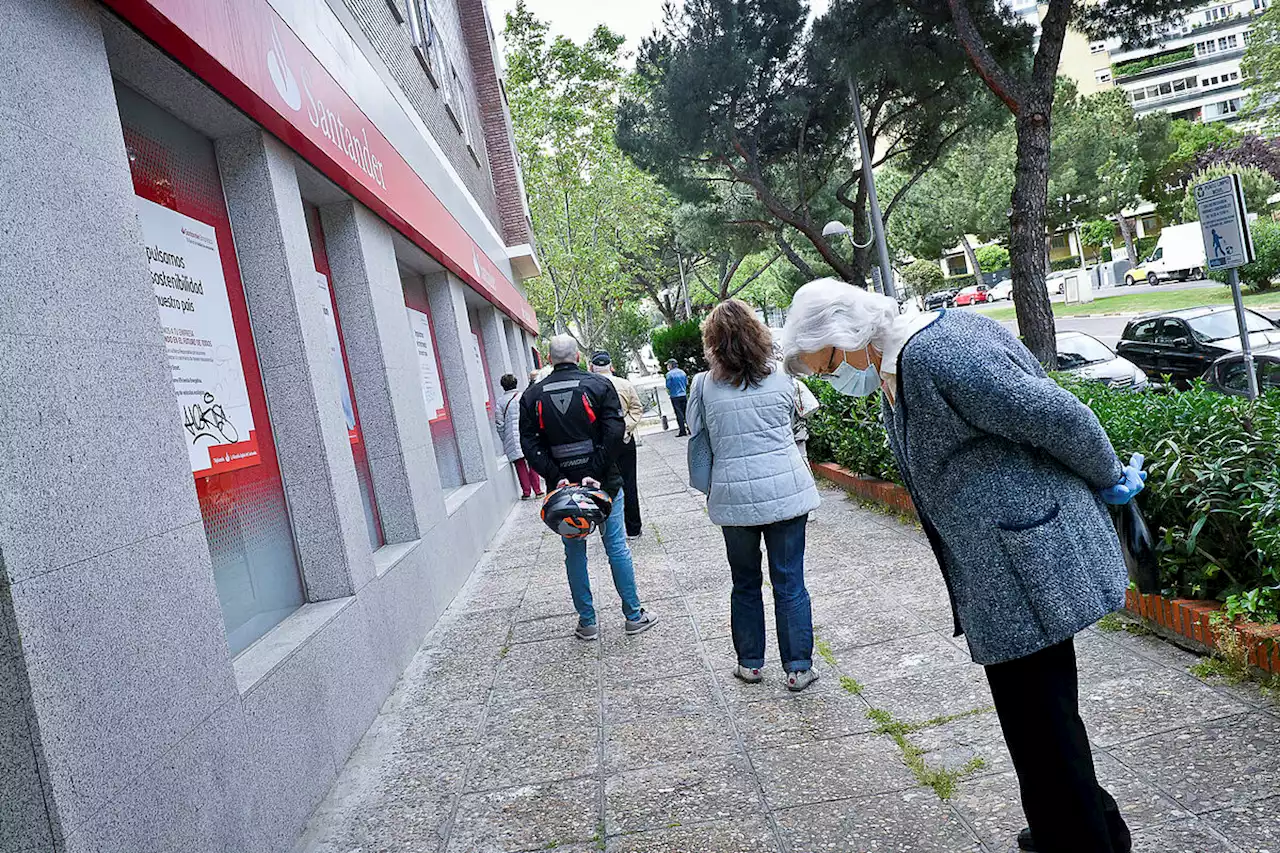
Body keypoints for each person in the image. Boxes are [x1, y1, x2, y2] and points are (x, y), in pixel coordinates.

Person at [780, 278, 1147, 853]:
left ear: (845, 335)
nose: (829, 378)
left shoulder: (938, 353)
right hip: (1004, 564)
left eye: (825, 365)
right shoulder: (899, 366)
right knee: (1038, 719)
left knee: (1042, 722)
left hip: (1026, 560)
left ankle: (1080, 836)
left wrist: (1109, 477)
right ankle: (1069, 823)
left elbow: (1057, 416)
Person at [689, 300, 822, 692]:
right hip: (786, 491)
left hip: (733, 499)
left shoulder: (702, 385)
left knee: (744, 582)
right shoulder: (783, 376)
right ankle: (798, 666)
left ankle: (750, 663)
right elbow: (799, 417)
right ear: (759, 333)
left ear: (713, 342)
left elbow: (699, 438)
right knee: (790, 581)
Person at [520, 334, 658, 640]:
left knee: (574, 552)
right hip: (604, 483)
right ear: (579, 357)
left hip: (562, 492)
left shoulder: (532, 396)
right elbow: (614, 430)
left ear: (547, 358)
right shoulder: (599, 385)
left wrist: (557, 476)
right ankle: (634, 616)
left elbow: (529, 443)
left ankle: (588, 621)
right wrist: (594, 470)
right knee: (617, 548)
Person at [589, 351, 645, 539]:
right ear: (611, 366)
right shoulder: (625, 384)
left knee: (603, 485)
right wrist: (625, 428)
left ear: (592, 367)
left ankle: (610, 529)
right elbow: (637, 408)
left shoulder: (589, 387)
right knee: (629, 483)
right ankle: (634, 527)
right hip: (624, 440)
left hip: (601, 444)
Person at [495, 373, 543, 500]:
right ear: (515, 383)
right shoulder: (523, 396)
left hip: (511, 437)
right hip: (526, 434)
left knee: (520, 464)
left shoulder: (500, 402)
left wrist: (505, 438)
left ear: (503, 386)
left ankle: (526, 492)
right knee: (532, 461)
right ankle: (538, 490)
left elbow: (499, 424)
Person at [665, 358, 690, 436]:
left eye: (668, 365)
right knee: (686, 413)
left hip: (675, 396)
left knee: (678, 414)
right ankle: (690, 429)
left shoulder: (669, 374)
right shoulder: (682, 372)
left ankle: (682, 431)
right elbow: (686, 383)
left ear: (671, 365)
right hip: (683, 394)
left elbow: (668, 385)